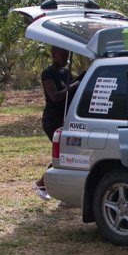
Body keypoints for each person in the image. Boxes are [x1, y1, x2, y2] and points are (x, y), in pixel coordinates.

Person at [33, 46, 79, 200]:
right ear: (53, 54)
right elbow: (55, 97)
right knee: (63, 154)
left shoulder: (65, 73)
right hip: (52, 119)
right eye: (63, 54)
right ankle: (41, 183)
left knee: (68, 155)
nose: (66, 57)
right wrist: (73, 86)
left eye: (67, 54)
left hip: (65, 118)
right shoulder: (48, 73)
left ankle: (64, 194)